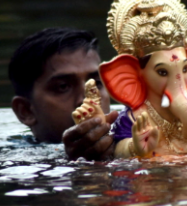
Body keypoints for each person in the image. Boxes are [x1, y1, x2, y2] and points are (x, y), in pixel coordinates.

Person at [8, 27, 118, 160]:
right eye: (63, 87)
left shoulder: (136, 138)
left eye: (96, 83)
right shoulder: (18, 162)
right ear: (25, 111)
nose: (85, 100)